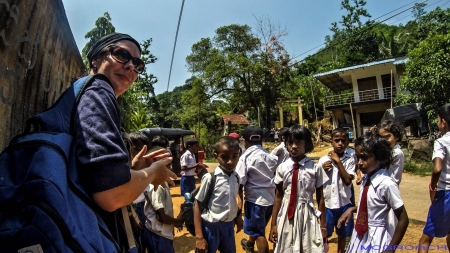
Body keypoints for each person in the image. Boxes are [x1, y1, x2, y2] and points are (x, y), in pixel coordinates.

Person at [79, 32, 175, 247]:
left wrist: (132, 170)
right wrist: (152, 174)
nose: (131, 66)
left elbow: (95, 175)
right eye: (121, 55)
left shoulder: (93, 95)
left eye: (138, 64)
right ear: (95, 58)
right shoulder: (99, 91)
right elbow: (112, 195)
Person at [346, 132, 409, 253]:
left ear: (379, 157)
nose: (359, 162)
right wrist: (353, 209)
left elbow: (403, 218)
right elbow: (371, 204)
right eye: (357, 157)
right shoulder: (366, 179)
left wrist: (390, 249)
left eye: (364, 157)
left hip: (376, 239)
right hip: (359, 237)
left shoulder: (387, 184)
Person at [269, 125, 327, 253]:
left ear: (306, 144)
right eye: (290, 142)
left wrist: (323, 225)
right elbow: (278, 196)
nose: (294, 146)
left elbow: (320, 197)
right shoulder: (282, 168)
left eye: (298, 142)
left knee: (307, 245)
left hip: (307, 212)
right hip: (286, 213)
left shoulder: (315, 168)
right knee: (286, 245)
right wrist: (273, 224)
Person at [194, 136, 244, 253]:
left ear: (239, 155)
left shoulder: (236, 177)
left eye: (234, 156)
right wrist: (199, 237)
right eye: (224, 157)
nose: (230, 161)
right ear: (216, 156)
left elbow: (234, 199)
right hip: (211, 226)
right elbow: (197, 205)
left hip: (228, 226)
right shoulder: (210, 178)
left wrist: (238, 217)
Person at [236, 126, 278, 253]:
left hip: (255, 201)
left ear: (245, 141)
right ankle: (249, 243)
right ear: (261, 140)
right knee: (257, 227)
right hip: (271, 200)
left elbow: (239, 181)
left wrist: (239, 204)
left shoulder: (245, 157)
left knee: (259, 233)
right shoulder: (270, 156)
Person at [418, 103, 450, 253]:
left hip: (445, 194)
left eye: (438, 120)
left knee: (425, 239)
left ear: (443, 121)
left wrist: (432, 186)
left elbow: (437, 169)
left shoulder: (442, 141)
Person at [140, 146, 185, 253]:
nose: (171, 168)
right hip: (158, 235)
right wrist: (178, 221)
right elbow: (162, 217)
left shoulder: (160, 182)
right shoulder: (157, 185)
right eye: (167, 165)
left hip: (159, 234)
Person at [317, 128, 355, 253]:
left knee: (343, 234)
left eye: (343, 141)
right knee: (324, 233)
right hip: (328, 204)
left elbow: (348, 180)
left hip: (344, 203)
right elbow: (317, 182)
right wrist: (322, 169)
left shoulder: (350, 159)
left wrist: (338, 162)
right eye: (336, 140)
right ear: (331, 142)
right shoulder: (323, 161)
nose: (340, 144)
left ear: (348, 142)